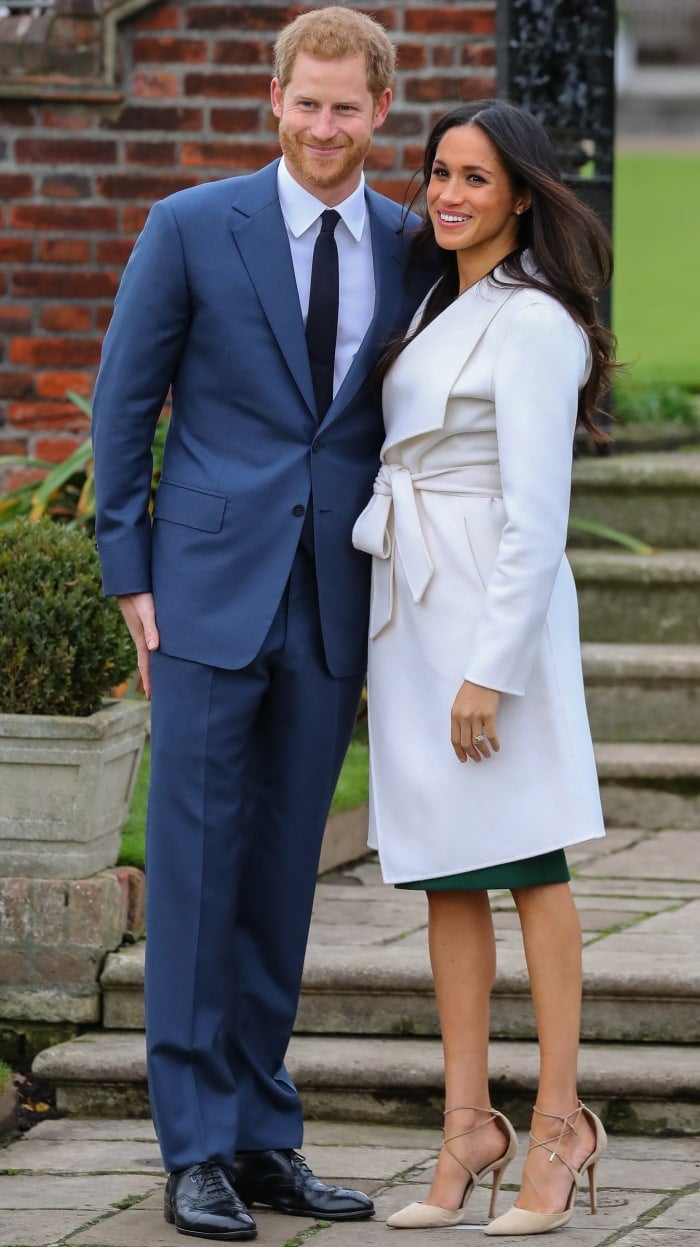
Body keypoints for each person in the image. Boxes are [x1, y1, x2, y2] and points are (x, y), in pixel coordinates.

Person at [91, 7, 436, 1241]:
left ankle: (261, 1132)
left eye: (350, 107)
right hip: (199, 592)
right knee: (192, 869)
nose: (327, 127)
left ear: (379, 111)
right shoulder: (190, 226)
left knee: (285, 872)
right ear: (274, 98)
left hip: (336, 598)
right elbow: (122, 404)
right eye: (310, 103)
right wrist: (129, 570)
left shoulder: (410, 240)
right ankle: (191, 1147)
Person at [352, 99, 615, 1235]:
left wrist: (486, 670)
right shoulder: (430, 300)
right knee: (445, 874)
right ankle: (467, 1124)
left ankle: (558, 1122)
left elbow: (534, 515)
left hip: (485, 616)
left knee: (529, 865)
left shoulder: (536, 323)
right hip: (412, 607)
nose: (448, 194)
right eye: (437, 173)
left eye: (474, 177)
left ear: (521, 193)